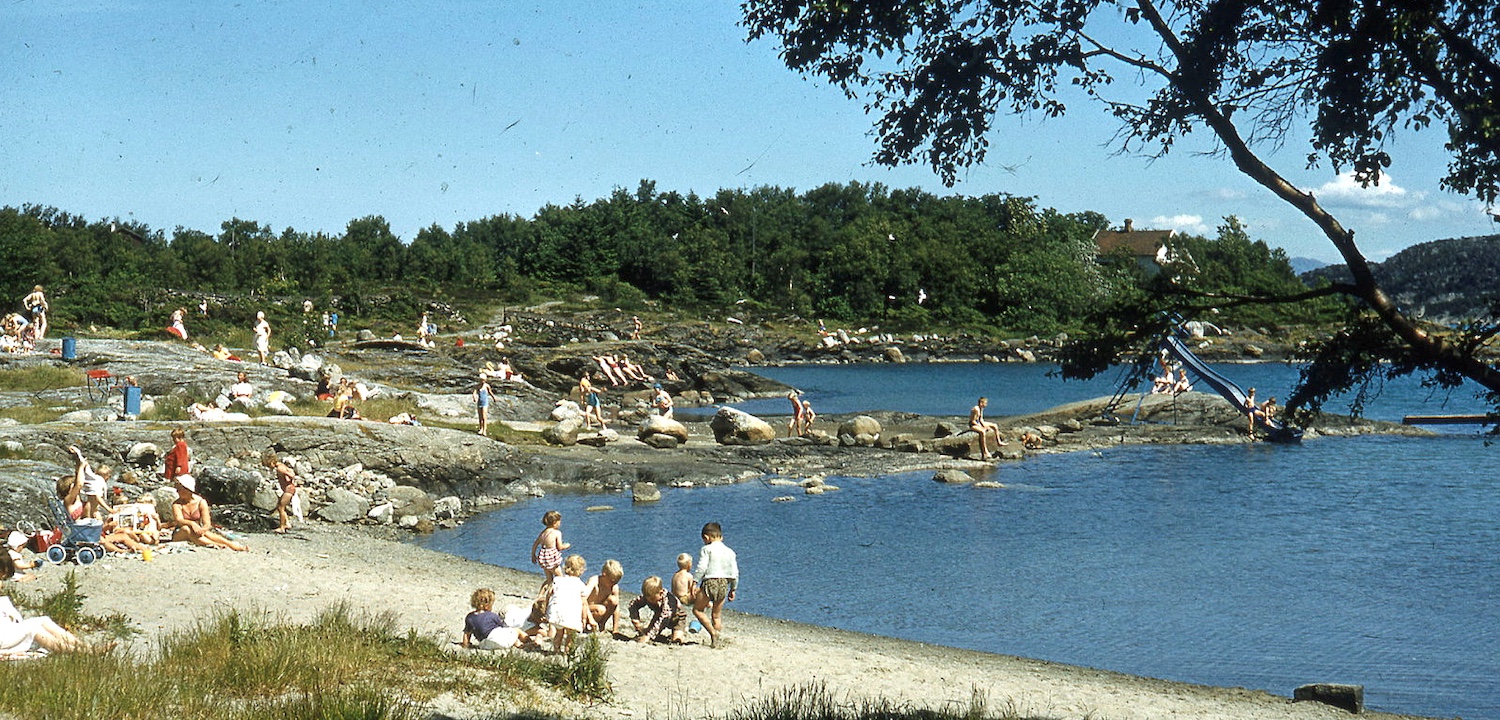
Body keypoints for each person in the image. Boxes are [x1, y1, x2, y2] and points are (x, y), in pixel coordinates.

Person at [0, 553, 111, 655]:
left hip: (6, 629)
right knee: (33, 628)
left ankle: (84, 646)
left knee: (43, 620)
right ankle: (81, 652)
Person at [691, 521, 739, 648]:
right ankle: (716, 641)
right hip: (724, 583)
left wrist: (695, 581)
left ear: (706, 537)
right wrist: (733, 589)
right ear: (721, 537)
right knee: (716, 616)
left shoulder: (707, 549)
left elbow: (702, 567)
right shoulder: (730, 552)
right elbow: (734, 573)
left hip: (709, 582)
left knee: (698, 610)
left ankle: (713, 633)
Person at [169, 475, 248, 551]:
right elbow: (179, 520)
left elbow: (207, 523)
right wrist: (192, 524)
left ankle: (230, 544)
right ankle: (215, 544)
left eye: (179, 488)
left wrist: (203, 529)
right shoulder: (177, 504)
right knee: (187, 529)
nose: (177, 491)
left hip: (197, 530)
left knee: (206, 533)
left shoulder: (201, 502)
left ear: (187, 489)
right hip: (180, 532)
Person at [547, 555, 589, 654]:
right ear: (581, 571)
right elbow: (584, 604)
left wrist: (547, 608)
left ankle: (556, 650)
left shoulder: (558, 580)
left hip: (557, 611)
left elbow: (549, 594)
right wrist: (584, 618)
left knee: (559, 632)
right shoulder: (581, 585)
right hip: (570, 613)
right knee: (570, 635)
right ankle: (567, 651)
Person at [628, 575, 688, 644]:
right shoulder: (648, 596)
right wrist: (635, 619)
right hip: (659, 614)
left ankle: (679, 634)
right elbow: (633, 605)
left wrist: (649, 636)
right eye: (648, 599)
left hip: (677, 617)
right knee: (647, 632)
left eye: (653, 599)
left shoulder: (669, 602)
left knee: (677, 640)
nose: (650, 601)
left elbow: (662, 621)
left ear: (661, 593)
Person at [66, 446, 112, 521]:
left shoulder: (93, 479)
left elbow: (83, 469)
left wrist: (78, 453)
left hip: (92, 509)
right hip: (90, 509)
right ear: (108, 477)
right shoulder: (99, 481)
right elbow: (97, 497)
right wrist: (109, 509)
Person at [530, 510, 570, 589]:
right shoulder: (557, 533)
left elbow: (535, 544)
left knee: (549, 579)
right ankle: (560, 593)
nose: (560, 523)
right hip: (552, 558)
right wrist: (566, 545)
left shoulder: (543, 532)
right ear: (555, 522)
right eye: (559, 521)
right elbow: (559, 547)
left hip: (543, 557)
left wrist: (533, 555)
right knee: (560, 578)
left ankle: (541, 595)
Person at [585, 558, 623, 634]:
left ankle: (602, 624)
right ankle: (586, 625)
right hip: (586, 611)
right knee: (601, 609)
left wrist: (615, 629)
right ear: (604, 574)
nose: (613, 584)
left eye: (616, 582)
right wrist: (590, 619)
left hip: (599, 613)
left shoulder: (614, 587)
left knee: (614, 600)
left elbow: (616, 608)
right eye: (612, 581)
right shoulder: (594, 581)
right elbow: (582, 600)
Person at [263, 451, 297, 534]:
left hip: (289, 490)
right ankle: (287, 523)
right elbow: (290, 471)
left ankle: (282, 527)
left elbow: (292, 475)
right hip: (288, 489)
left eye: (268, 465)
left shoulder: (280, 468)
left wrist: (289, 478)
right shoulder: (281, 465)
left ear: (272, 462)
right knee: (279, 506)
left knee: (281, 507)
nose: (269, 467)